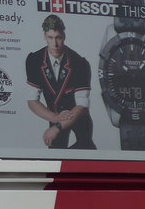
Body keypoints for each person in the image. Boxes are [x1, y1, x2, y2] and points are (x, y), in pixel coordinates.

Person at [25, 14, 95, 149]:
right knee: (56, 156)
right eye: (50, 38)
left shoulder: (80, 63)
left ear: (64, 36)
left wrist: (57, 127)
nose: (55, 43)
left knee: (86, 151)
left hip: (78, 117)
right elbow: (32, 100)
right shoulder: (34, 60)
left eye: (58, 38)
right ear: (45, 36)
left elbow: (81, 105)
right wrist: (55, 119)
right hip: (54, 116)